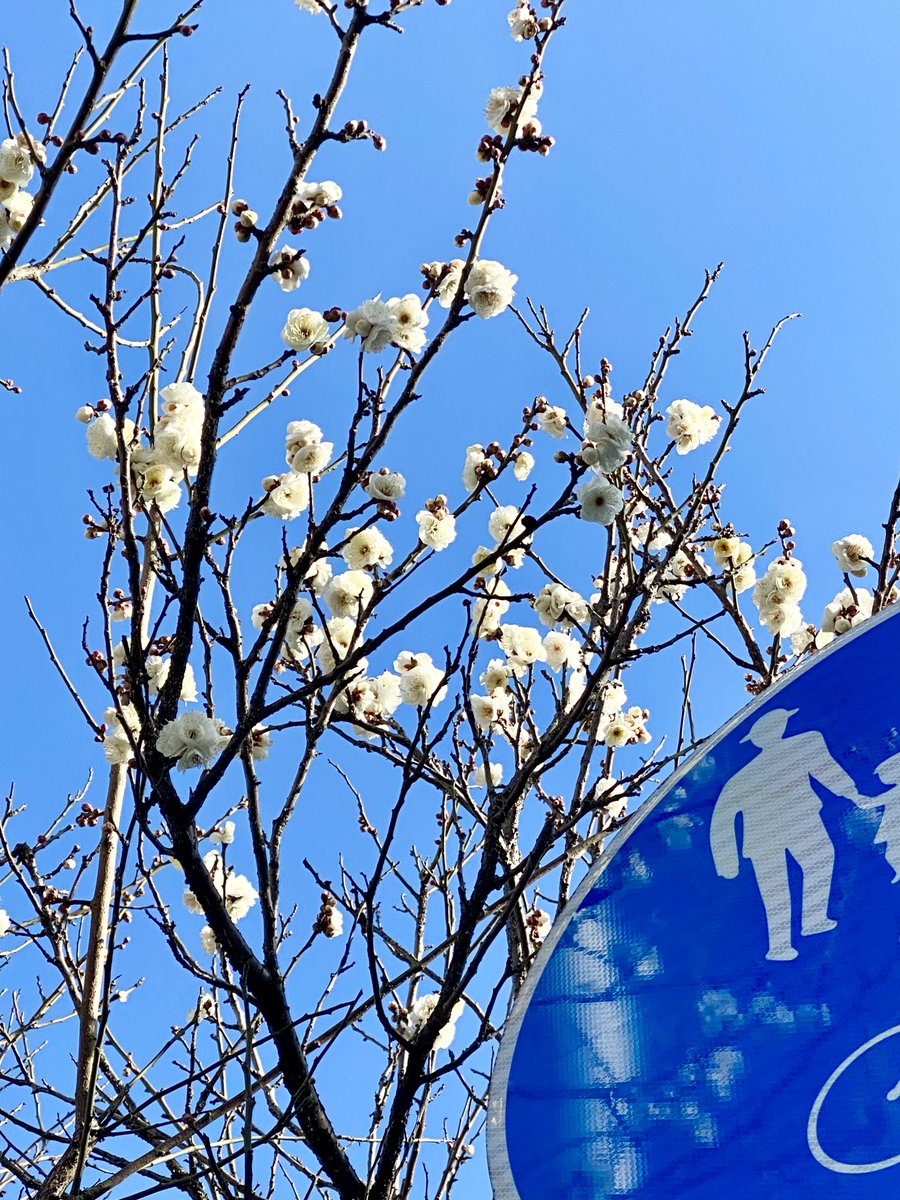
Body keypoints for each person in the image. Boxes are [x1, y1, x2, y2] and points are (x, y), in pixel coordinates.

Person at [710, 708, 866, 962]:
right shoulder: (804, 743)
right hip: (795, 823)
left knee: (782, 886)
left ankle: (788, 940)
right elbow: (829, 772)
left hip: (776, 833)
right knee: (805, 870)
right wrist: (853, 794)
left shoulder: (742, 776)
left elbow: (721, 819)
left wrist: (727, 861)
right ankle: (803, 927)